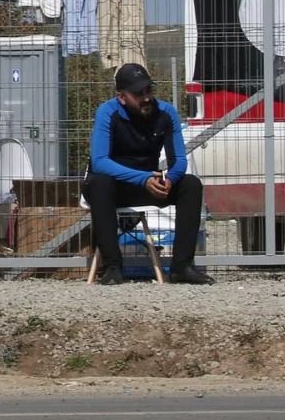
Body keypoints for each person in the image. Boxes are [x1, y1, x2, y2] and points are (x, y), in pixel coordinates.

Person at [85, 63, 213, 286]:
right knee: (99, 183)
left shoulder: (166, 112)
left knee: (191, 185)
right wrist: (143, 179)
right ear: (122, 97)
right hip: (115, 187)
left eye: (148, 91)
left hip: (148, 184)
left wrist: (168, 181)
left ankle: (182, 267)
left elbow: (179, 161)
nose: (146, 98)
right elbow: (100, 162)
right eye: (138, 94)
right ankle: (112, 267)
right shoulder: (107, 112)